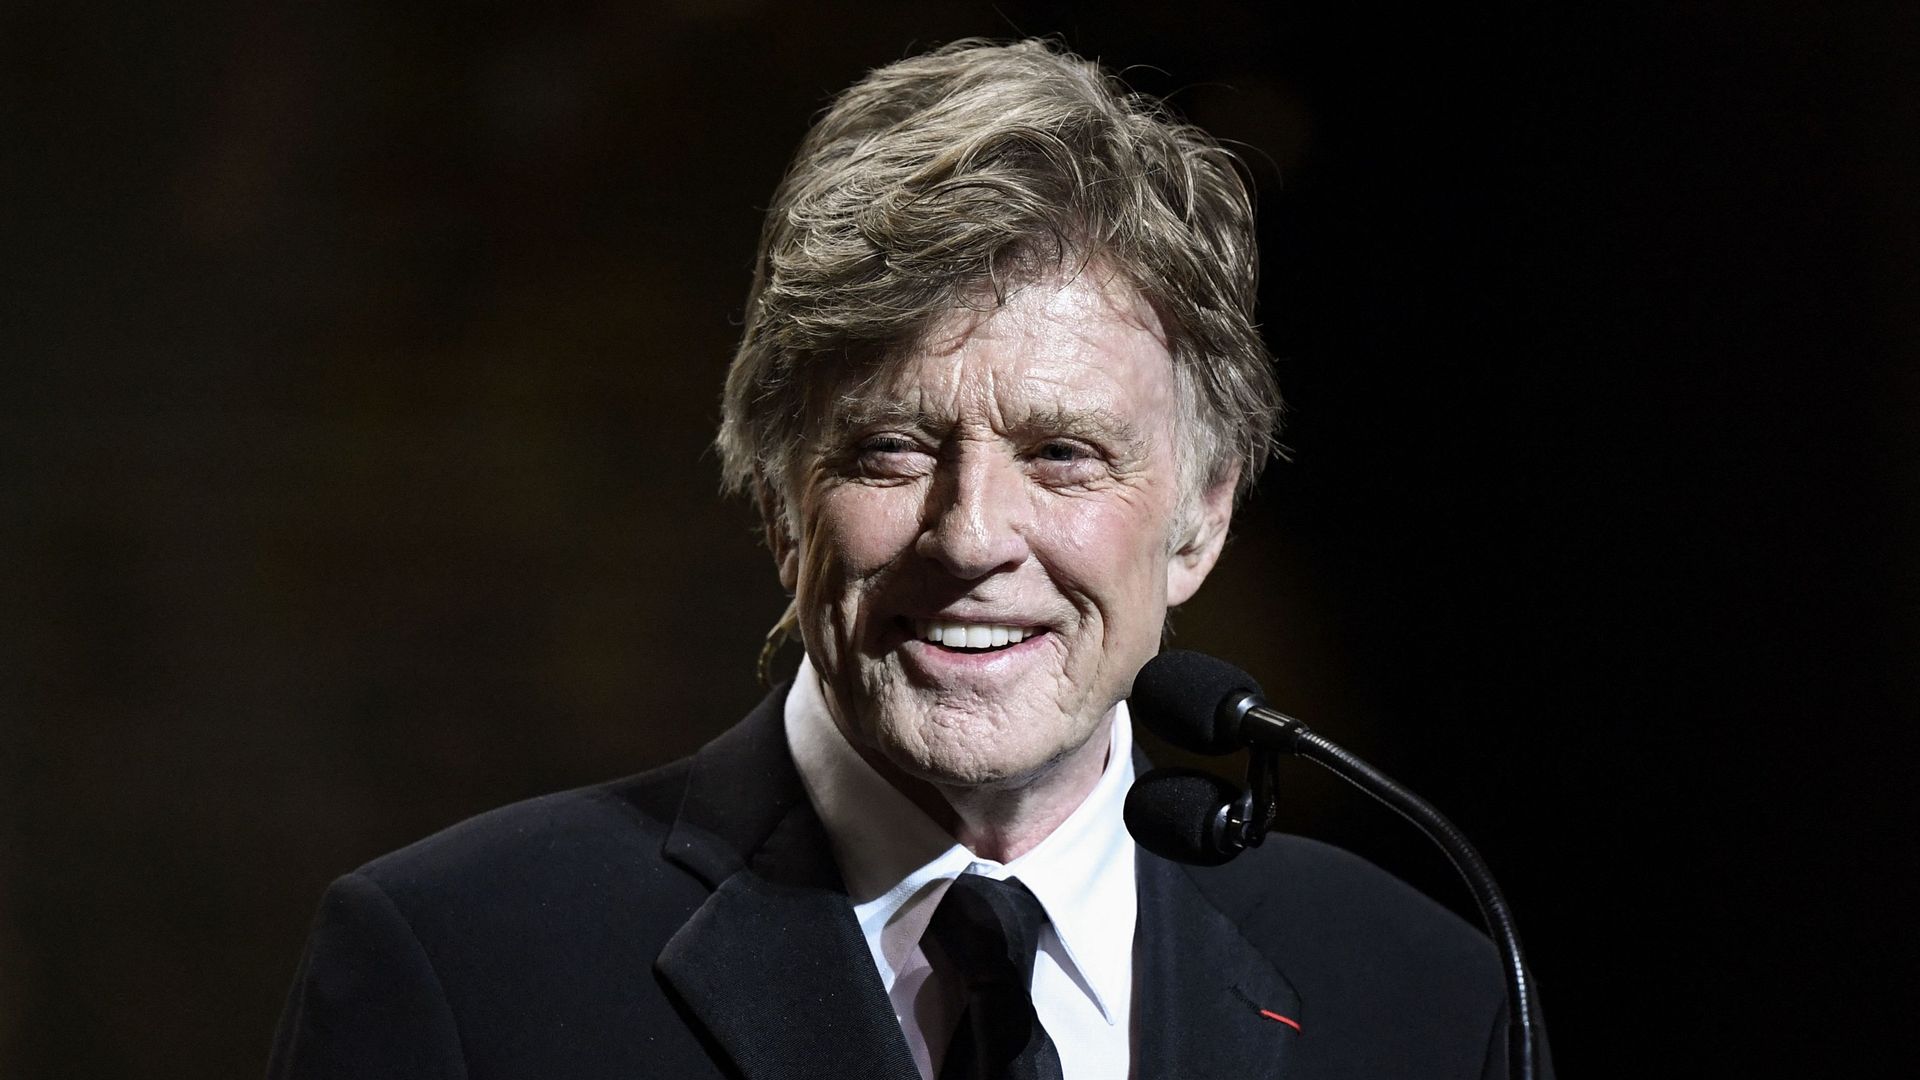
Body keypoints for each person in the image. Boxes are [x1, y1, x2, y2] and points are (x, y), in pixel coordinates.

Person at [270, 39, 1531, 1080]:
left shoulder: (1422, 996)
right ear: (778, 500)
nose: (972, 535)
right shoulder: (459, 972)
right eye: (890, 450)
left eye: (1063, 454)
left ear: (1202, 518)